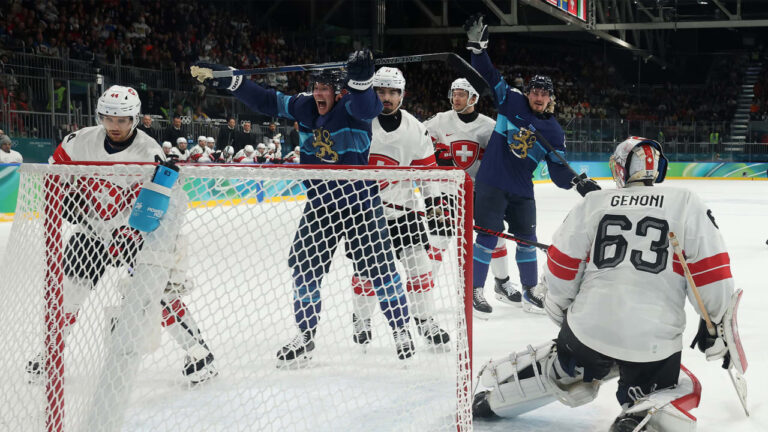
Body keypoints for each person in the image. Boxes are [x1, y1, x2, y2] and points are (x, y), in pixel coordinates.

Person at [471, 137, 739, 432]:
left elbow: (561, 267)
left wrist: (562, 311)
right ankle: (639, 417)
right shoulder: (686, 201)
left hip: (588, 332)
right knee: (679, 385)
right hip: (653, 341)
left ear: (621, 169)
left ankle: (495, 401)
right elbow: (712, 271)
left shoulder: (594, 203)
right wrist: (715, 322)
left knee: (564, 362)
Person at [192, 48, 414, 366]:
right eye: (316, 87)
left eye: (326, 88)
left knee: (381, 272)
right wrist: (232, 81)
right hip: (320, 206)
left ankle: (401, 329)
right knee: (304, 271)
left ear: (340, 92)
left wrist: (362, 80)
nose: (318, 94)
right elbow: (267, 100)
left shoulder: (353, 107)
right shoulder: (304, 106)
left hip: (361, 206)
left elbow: (368, 105)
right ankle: (305, 335)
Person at [30, 85, 217, 385]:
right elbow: (54, 176)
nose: (114, 126)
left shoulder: (149, 151)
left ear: (134, 118)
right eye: (108, 119)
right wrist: (66, 198)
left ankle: (200, 354)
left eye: (122, 120)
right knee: (68, 295)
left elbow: (165, 203)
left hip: (134, 236)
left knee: (157, 295)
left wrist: (133, 232)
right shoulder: (79, 141)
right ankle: (50, 354)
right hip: (92, 232)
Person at [463, 14, 601, 317]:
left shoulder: (554, 131)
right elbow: (489, 74)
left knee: (527, 240)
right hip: (492, 183)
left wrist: (577, 182)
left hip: (522, 190)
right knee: (487, 236)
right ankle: (475, 290)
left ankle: (529, 291)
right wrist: (477, 50)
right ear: (528, 93)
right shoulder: (510, 101)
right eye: (535, 92)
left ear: (550, 98)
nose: (539, 97)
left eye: (544, 93)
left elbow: (558, 172)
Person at [351, 66, 450, 349]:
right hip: (366, 215)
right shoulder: (359, 122)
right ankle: (362, 319)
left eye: (393, 92)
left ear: (402, 94)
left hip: (405, 211)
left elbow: (428, 175)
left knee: (420, 268)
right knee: (366, 273)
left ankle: (425, 320)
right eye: (381, 91)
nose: (387, 97)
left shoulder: (415, 129)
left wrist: (434, 204)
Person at [424, 78, 519, 315]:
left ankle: (502, 283)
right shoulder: (440, 120)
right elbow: (418, 135)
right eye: (454, 93)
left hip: (480, 192)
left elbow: (501, 158)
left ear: (473, 98)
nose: (455, 98)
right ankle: (422, 292)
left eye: (461, 94)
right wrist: (435, 152)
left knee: (495, 237)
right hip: (447, 191)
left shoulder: (489, 126)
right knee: (438, 239)